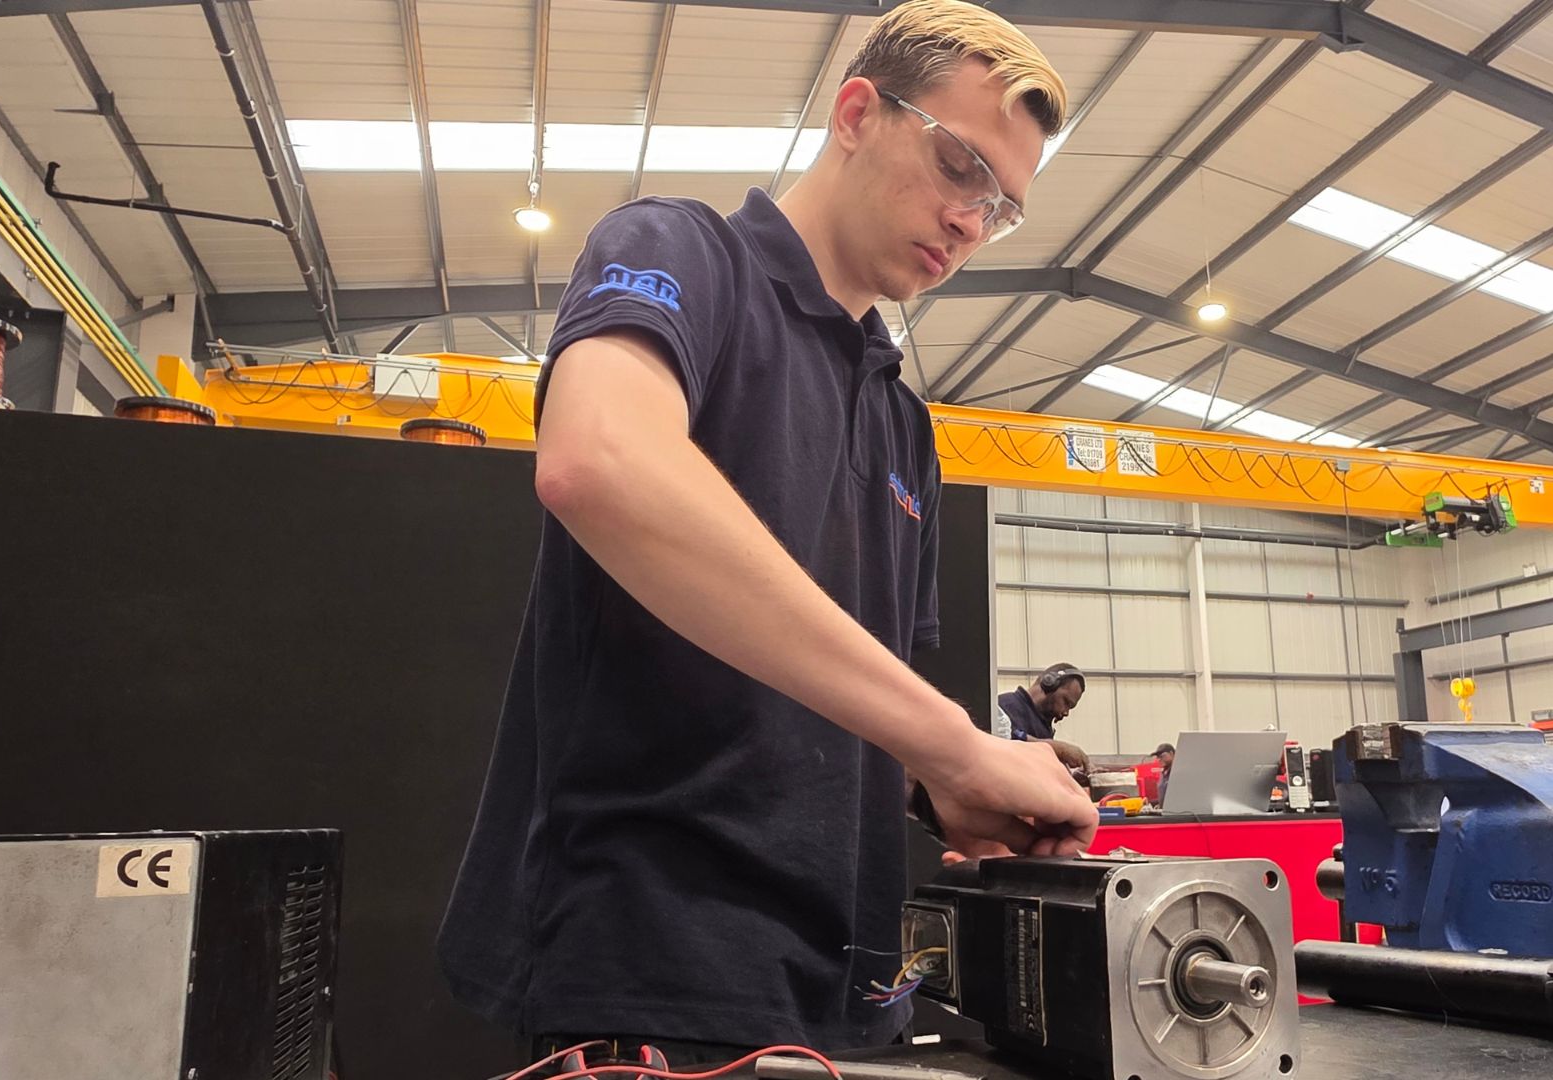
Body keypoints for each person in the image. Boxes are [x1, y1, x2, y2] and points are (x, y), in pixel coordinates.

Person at [436, 1, 1093, 1068]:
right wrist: (949, 740)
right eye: (962, 167)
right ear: (856, 114)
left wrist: (963, 786)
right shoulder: (681, 255)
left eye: (1004, 208)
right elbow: (597, 462)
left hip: (853, 987)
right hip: (663, 970)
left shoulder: (903, 422)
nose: (974, 222)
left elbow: (859, 697)